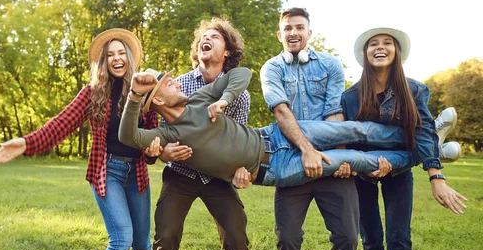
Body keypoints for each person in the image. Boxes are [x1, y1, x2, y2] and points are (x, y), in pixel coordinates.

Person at [0, 28, 160, 250]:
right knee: (121, 238)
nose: (116, 58)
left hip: (136, 173)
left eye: (121, 52)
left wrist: (152, 151)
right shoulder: (92, 93)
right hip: (106, 170)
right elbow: (60, 125)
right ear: (103, 62)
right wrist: (26, 143)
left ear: (130, 57)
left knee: (142, 242)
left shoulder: (146, 92)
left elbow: (152, 138)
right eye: (109, 55)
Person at [341, 26, 467, 250]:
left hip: (399, 173)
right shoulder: (350, 96)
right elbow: (348, 138)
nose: (380, 47)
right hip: (363, 175)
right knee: (369, 237)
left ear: (396, 53)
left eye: (387, 43)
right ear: (365, 54)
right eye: (373, 44)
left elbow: (421, 133)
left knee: (398, 238)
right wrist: (365, 166)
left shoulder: (415, 90)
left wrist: (436, 175)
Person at [120, 68, 422, 194]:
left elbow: (241, 73)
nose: (177, 82)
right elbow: (128, 137)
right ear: (158, 99)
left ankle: (421, 139)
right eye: (169, 84)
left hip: (275, 134)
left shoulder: (200, 98)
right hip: (274, 167)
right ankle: (417, 155)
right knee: (354, 160)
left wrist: (224, 99)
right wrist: (134, 94)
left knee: (353, 129)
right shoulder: (168, 135)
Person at [140, 18, 257, 250]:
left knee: (237, 239)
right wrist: (163, 153)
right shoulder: (178, 84)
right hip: (180, 174)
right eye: (202, 37)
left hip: (216, 180)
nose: (206, 40)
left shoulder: (239, 96)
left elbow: (234, 145)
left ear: (227, 50)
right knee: (165, 238)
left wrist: (242, 172)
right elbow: (156, 135)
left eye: (214, 37)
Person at [259, 7, 358, 250]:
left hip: (328, 163)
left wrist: (338, 157)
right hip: (290, 163)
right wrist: (306, 151)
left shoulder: (330, 65)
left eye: (299, 27)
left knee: (346, 235)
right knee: (287, 237)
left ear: (309, 32)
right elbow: (282, 112)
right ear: (280, 34)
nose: (293, 33)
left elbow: (334, 112)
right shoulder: (271, 68)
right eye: (287, 28)